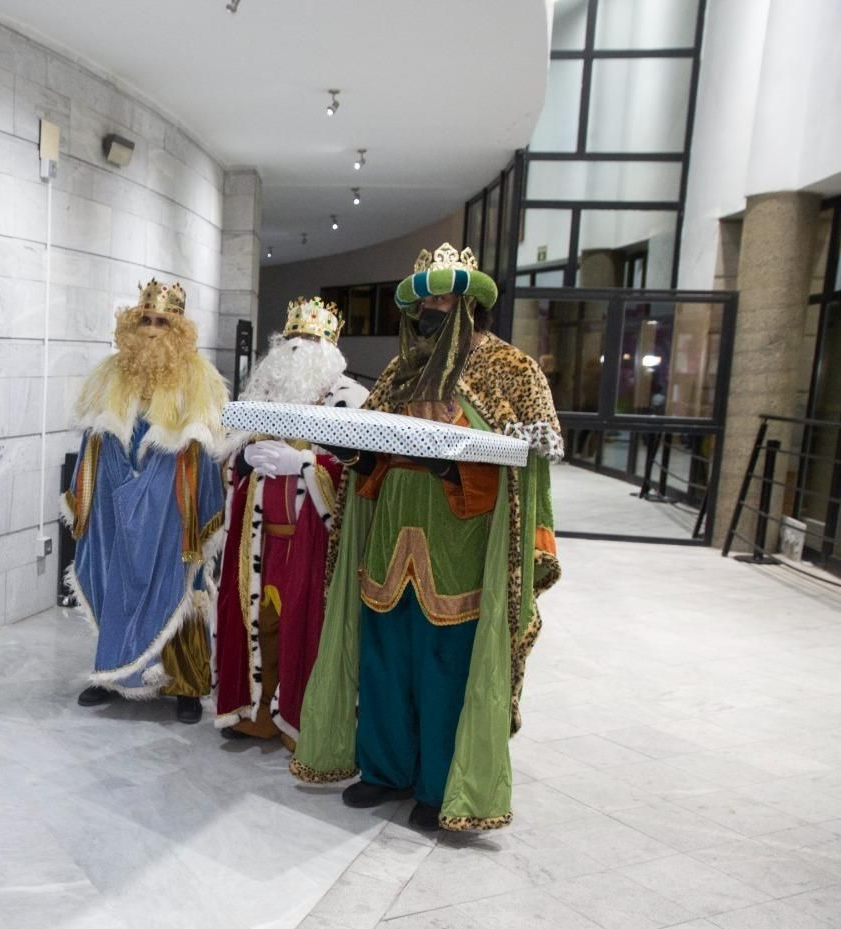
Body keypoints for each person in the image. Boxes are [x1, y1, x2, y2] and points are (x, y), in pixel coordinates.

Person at [290, 244, 562, 831]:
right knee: (385, 659)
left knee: (445, 669)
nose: (430, 311)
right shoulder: (400, 370)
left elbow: (527, 470)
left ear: (470, 305)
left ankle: (440, 786)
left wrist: (454, 466)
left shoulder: (511, 369)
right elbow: (375, 453)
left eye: (443, 300)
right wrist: (353, 453)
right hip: (390, 534)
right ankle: (385, 770)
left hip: (460, 540)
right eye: (423, 302)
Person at [64, 279, 228, 724]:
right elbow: (91, 439)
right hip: (116, 496)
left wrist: (171, 470)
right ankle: (113, 675)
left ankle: (186, 686)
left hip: (171, 501)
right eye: (146, 320)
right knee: (114, 578)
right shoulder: (111, 372)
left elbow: (206, 446)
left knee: (181, 584)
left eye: (163, 322)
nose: (153, 330)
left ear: (179, 329)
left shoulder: (199, 376)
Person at [213, 297, 367, 749]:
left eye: (311, 338)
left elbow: (362, 472)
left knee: (307, 632)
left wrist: (305, 464)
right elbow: (227, 460)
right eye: (294, 337)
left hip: (313, 543)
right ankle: (258, 711)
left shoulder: (350, 400)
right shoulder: (263, 395)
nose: (300, 347)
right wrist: (243, 460)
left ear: (332, 347)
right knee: (260, 627)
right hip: (259, 540)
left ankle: (303, 721)